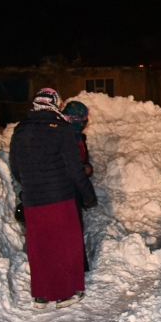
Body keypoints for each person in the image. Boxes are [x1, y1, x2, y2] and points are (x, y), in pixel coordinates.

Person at [10, 88, 97, 309]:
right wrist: (88, 195)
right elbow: (75, 169)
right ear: (56, 105)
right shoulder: (61, 129)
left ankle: (41, 294)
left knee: (40, 246)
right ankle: (65, 293)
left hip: (32, 199)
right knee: (65, 245)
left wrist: (32, 184)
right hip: (60, 198)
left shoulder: (20, 130)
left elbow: (15, 168)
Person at [61, 100, 94, 272]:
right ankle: (72, 268)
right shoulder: (60, 137)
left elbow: (81, 160)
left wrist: (87, 167)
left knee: (75, 229)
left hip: (75, 189)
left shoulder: (78, 138)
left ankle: (80, 266)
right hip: (64, 190)